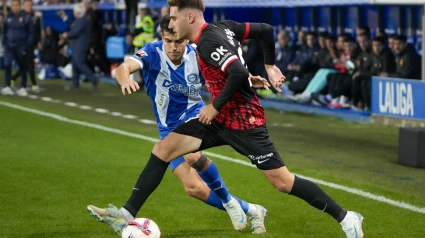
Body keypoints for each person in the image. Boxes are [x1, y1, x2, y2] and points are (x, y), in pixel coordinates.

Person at [90, 1, 364, 237]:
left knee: (283, 183)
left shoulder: (207, 42)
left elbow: (233, 72)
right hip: (219, 119)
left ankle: (347, 217)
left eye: (174, 16)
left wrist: (216, 106)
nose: (171, 22)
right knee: (164, 149)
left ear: (190, 17)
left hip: (244, 121)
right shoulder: (223, 27)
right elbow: (264, 31)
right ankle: (127, 213)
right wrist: (265, 68)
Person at [88, 16, 270, 234]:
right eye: (168, 41)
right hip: (167, 127)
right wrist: (125, 79)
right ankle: (251, 209)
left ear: (185, 39)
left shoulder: (198, 54)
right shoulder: (152, 52)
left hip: (195, 116)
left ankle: (228, 203)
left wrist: (249, 78)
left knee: (192, 156)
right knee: (193, 188)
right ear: (162, 39)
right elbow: (124, 67)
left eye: (178, 41)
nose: (173, 47)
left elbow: (227, 69)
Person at [60, 4, 98, 90]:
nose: (73, 13)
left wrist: (67, 35)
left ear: (78, 12)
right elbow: (73, 25)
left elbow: (75, 32)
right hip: (76, 46)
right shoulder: (80, 20)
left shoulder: (82, 21)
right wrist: (65, 18)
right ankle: (75, 83)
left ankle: (94, 79)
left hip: (80, 46)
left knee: (79, 63)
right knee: (75, 65)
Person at [1, 0, 33, 96]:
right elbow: (4, 31)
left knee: (23, 67)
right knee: (7, 65)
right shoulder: (7, 17)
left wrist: (27, 45)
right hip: (9, 46)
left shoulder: (26, 18)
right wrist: (4, 43)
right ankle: (7, 85)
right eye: (13, 5)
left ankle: (23, 87)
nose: (15, 7)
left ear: (20, 6)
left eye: (17, 5)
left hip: (21, 46)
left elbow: (31, 33)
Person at [10, 0, 41, 93]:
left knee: (28, 64)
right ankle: (33, 84)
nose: (29, 7)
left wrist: (38, 41)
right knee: (27, 64)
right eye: (27, 5)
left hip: (30, 44)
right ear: (23, 6)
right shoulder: (20, 16)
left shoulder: (35, 16)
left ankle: (13, 79)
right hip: (22, 44)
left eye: (31, 5)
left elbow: (37, 30)